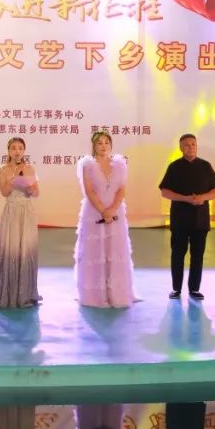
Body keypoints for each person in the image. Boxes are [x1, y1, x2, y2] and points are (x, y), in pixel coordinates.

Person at [0, 137, 41, 308]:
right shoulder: (2, 169)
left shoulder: (30, 168)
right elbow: (4, 192)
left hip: (26, 211)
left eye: (20, 148)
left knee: (25, 249)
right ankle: (5, 291)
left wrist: (31, 189)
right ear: (8, 150)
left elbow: (36, 193)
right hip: (11, 211)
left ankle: (25, 293)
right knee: (10, 248)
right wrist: (13, 180)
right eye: (13, 148)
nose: (17, 151)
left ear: (24, 151)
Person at [74, 130, 135, 308]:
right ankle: (96, 296)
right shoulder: (87, 165)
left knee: (114, 250)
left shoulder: (120, 164)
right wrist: (103, 211)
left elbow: (121, 189)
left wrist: (112, 209)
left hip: (116, 212)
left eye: (106, 142)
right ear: (94, 146)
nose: (103, 146)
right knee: (95, 252)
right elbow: (89, 191)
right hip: (94, 212)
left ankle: (116, 294)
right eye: (99, 143)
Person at [158, 133, 215, 300]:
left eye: (193, 144)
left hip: (200, 219)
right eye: (186, 145)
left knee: (197, 255)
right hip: (180, 219)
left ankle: (194, 289)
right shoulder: (174, 167)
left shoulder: (205, 166)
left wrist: (202, 197)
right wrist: (185, 198)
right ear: (181, 148)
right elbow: (165, 192)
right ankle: (176, 288)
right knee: (177, 254)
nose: (191, 147)